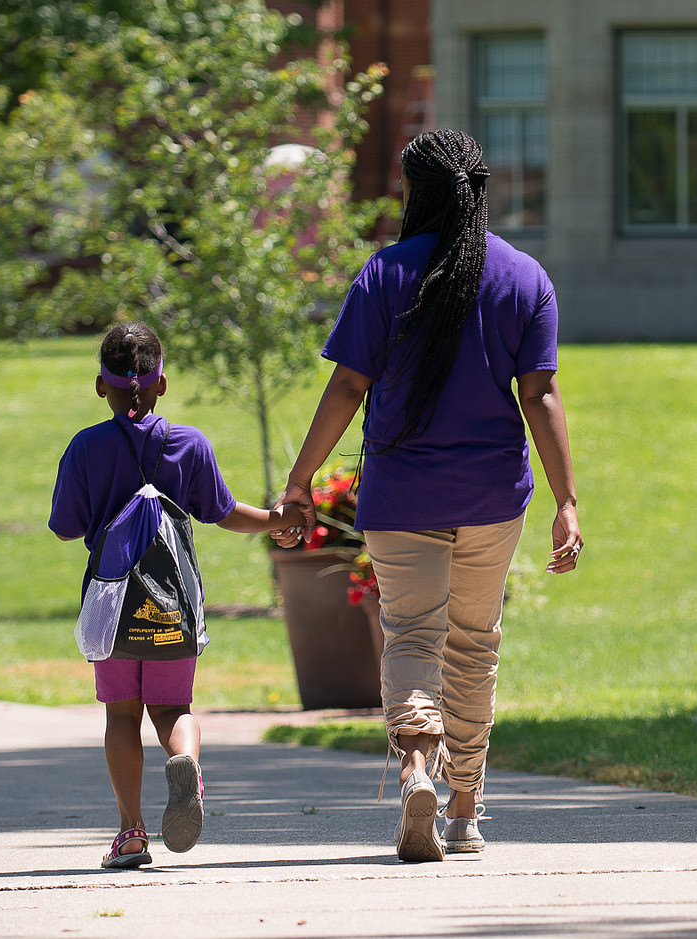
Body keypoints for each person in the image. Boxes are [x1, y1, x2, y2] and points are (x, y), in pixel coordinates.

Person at [277, 129, 583, 862]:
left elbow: (349, 384)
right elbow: (539, 394)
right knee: (473, 647)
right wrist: (567, 500)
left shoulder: (383, 274)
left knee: (411, 635)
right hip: (490, 497)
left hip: (402, 494)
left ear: (416, 191)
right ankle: (467, 809)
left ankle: (417, 766)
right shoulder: (524, 277)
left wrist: (300, 480)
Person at [50, 321, 299, 869]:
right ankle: (184, 759)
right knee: (172, 708)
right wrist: (276, 519)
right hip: (172, 603)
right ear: (162, 384)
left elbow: (65, 527)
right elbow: (224, 513)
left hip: (113, 605)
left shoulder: (86, 447)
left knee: (122, 716)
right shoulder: (188, 443)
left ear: (101, 387)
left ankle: (131, 833)